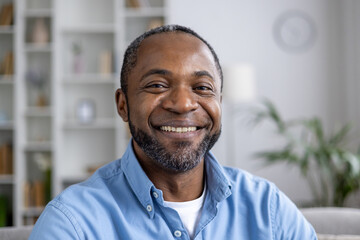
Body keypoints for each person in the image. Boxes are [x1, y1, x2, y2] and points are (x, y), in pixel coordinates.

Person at [29, 25, 317, 240]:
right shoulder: (72, 222)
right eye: (157, 85)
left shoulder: (269, 208)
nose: (183, 104)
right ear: (123, 104)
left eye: (202, 88)